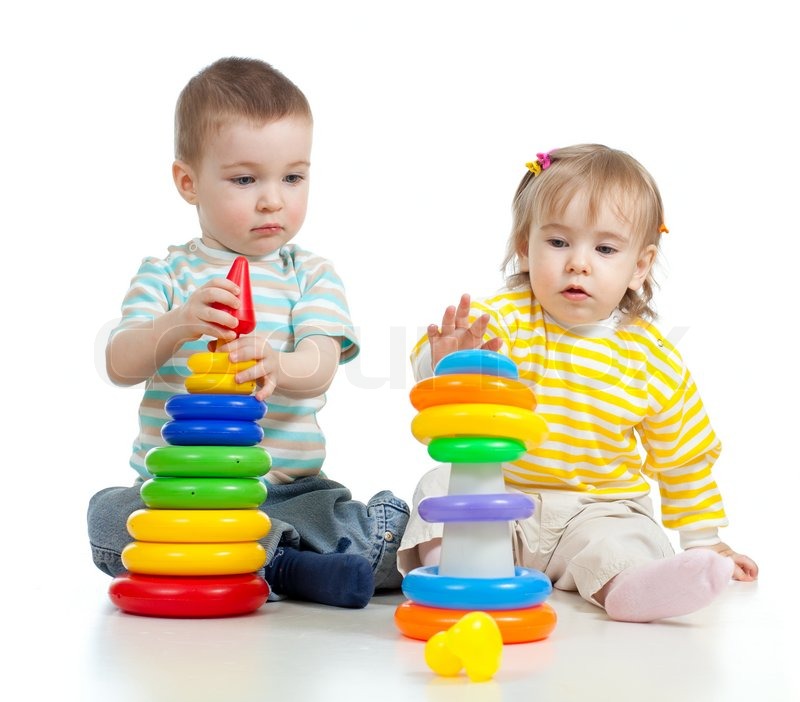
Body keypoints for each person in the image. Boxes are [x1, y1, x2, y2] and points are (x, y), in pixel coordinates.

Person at [87, 57, 408, 609]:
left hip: (289, 492)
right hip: (182, 500)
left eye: (293, 177)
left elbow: (321, 363)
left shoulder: (310, 274)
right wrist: (175, 324)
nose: (273, 199)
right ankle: (285, 564)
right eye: (245, 179)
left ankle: (271, 557)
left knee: (390, 524)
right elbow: (120, 363)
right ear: (188, 182)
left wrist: (280, 367)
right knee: (108, 514)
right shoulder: (166, 274)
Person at [398, 144, 758, 623]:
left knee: (625, 539)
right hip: (506, 500)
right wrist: (449, 358)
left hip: (599, 510)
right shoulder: (504, 320)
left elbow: (684, 458)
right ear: (525, 246)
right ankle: (454, 571)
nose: (578, 263)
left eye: (605, 249)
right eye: (559, 242)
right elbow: (441, 378)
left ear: (640, 266)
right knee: (440, 484)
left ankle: (630, 588)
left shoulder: (653, 359)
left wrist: (705, 539)